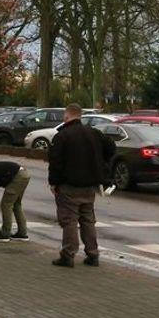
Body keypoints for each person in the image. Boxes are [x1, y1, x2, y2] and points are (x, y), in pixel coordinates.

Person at [47, 102, 115, 268]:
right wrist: (100, 162)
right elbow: (111, 148)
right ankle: (93, 254)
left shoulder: (62, 136)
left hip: (69, 185)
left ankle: (68, 255)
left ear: (66, 116)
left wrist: (53, 182)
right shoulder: (94, 133)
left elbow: (55, 162)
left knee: (69, 220)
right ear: (80, 115)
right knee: (87, 219)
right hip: (90, 185)